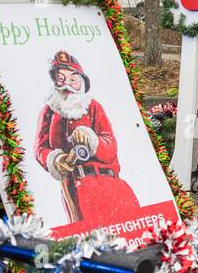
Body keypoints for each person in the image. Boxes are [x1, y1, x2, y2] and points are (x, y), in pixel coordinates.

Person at [34, 50, 143, 237]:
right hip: (76, 187)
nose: (66, 84)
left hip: (109, 184)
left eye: (72, 79)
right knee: (91, 241)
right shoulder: (49, 111)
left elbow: (110, 146)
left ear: (81, 82)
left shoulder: (92, 107)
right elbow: (40, 148)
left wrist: (92, 140)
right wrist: (55, 159)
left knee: (130, 234)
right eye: (61, 78)